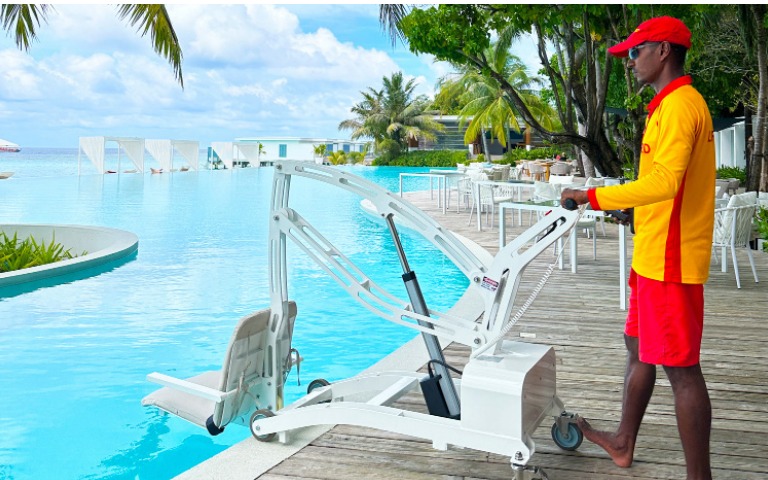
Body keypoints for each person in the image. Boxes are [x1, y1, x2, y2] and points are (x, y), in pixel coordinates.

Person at [560, 16, 715, 480]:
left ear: (663, 50)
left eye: (634, 52)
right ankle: (624, 442)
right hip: (653, 255)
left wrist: (593, 197)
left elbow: (664, 183)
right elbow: (668, 186)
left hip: (671, 261)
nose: (629, 62)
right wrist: (629, 210)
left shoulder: (682, 107)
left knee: (682, 370)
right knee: (638, 346)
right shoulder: (666, 107)